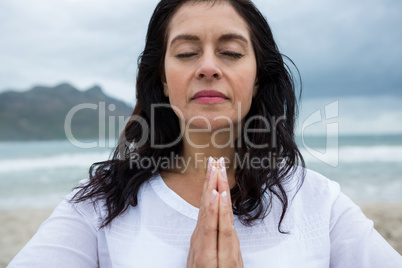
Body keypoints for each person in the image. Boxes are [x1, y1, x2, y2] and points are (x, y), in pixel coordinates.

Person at [8, 0, 402, 267]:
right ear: (162, 78)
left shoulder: (318, 202)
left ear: (259, 79)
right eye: (185, 53)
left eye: (230, 52)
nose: (209, 66)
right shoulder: (100, 204)